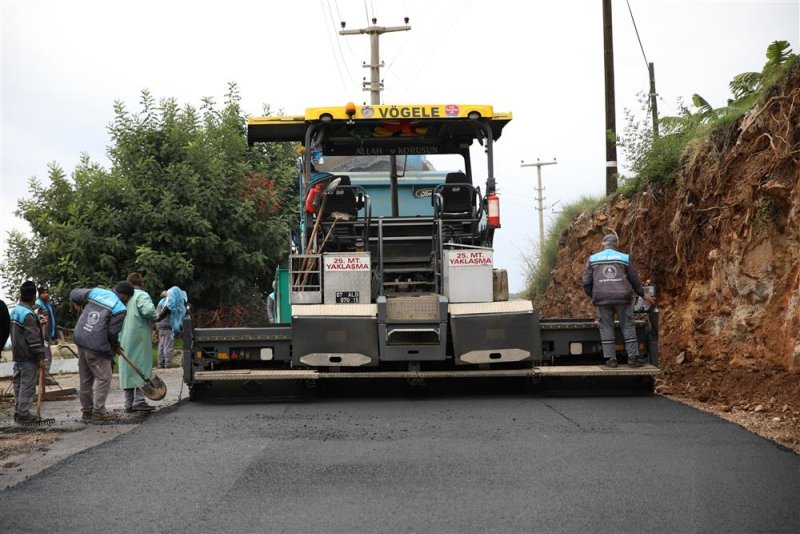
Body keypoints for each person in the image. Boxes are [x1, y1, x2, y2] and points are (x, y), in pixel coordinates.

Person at [582, 233, 656, 368]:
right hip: (623, 298)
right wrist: (643, 295)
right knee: (628, 325)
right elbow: (634, 280)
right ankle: (633, 358)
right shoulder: (624, 258)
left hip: (602, 298)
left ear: (602, 245)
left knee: (606, 327)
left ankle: (611, 359)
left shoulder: (592, 259)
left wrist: (593, 295)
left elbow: (586, 282)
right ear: (617, 245)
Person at [71, 282, 132, 422]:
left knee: (85, 379)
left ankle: (86, 412)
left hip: (80, 338)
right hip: (96, 345)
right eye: (127, 298)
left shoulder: (97, 292)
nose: (126, 301)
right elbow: (112, 332)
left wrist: (78, 302)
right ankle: (99, 411)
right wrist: (115, 347)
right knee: (104, 378)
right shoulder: (120, 308)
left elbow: (74, 293)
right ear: (124, 295)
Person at [119, 273, 159, 412]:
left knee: (128, 369)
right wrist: (156, 316)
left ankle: (128, 403)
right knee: (141, 367)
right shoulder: (141, 295)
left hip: (124, 338)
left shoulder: (124, 297)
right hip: (139, 338)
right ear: (141, 284)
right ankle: (139, 401)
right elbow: (149, 310)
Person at [10, 281, 47, 424]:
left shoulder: (15, 311)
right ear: (33, 296)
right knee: (28, 386)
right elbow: (33, 339)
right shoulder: (28, 315)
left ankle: (19, 411)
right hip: (27, 356)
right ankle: (24, 414)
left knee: (18, 385)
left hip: (17, 355)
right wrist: (41, 356)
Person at [35, 285, 61, 385]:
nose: (46, 294)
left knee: (46, 357)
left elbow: (53, 321)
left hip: (48, 334)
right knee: (46, 357)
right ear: (40, 294)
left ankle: (42, 377)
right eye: (44, 293)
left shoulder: (48, 305)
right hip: (42, 337)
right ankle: (43, 378)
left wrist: (56, 335)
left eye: (47, 292)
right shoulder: (38, 306)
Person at [155, 290, 172, 368]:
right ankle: (168, 363)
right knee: (167, 345)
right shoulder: (167, 303)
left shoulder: (160, 302)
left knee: (161, 345)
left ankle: (160, 363)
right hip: (166, 326)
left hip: (159, 325)